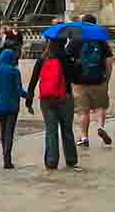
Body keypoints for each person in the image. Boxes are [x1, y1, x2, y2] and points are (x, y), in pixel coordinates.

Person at [26, 36, 82, 171]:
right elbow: (75, 77)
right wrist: (77, 64)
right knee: (66, 129)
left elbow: (34, 79)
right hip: (65, 97)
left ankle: (51, 160)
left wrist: (29, 98)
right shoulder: (66, 58)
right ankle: (70, 159)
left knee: (51, 130)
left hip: (47, 99)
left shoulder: (43, 58)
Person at [72, 15, 113, 149]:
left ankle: (84, 137)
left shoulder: (76, 39)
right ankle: (100, 127)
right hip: (98, 79)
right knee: (100, 106)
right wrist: (107, 78)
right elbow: (108, 61)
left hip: (80, 81)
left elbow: (67, 58)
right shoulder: (101, 40)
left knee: (83, 112)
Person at [0, 48, 25, 168]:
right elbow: (19, 91)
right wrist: (28, 95)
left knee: (3, 132)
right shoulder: (15, 71)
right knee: (10, 132)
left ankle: (5, 156)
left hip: (1, 107)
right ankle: (7, 158)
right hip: (13, 107)